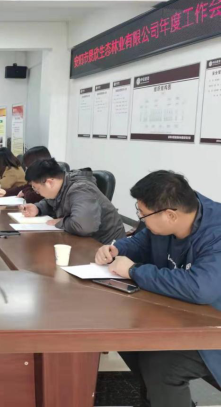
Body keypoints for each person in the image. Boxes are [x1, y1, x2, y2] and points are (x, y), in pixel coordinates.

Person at [94, 171, 221, 407]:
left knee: (162, 365)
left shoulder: (216, 233)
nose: (141, 218)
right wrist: (116, 249)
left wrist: (134, 271)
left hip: (213, 327)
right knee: (128, 338)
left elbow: (201, 288)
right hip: (182, 313)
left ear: (170, 215)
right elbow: (140, 242)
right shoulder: (169, 220)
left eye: (143, 214)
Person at [20, 158, 125, 244]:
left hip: (105, 245)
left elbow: (84, 226)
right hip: (82, 239)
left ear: (49, 183)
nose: (37, 192)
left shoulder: (81, 189)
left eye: (36, 188)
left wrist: (61, 221)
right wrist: (38, 208)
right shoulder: (62, 184)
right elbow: (53, 202)